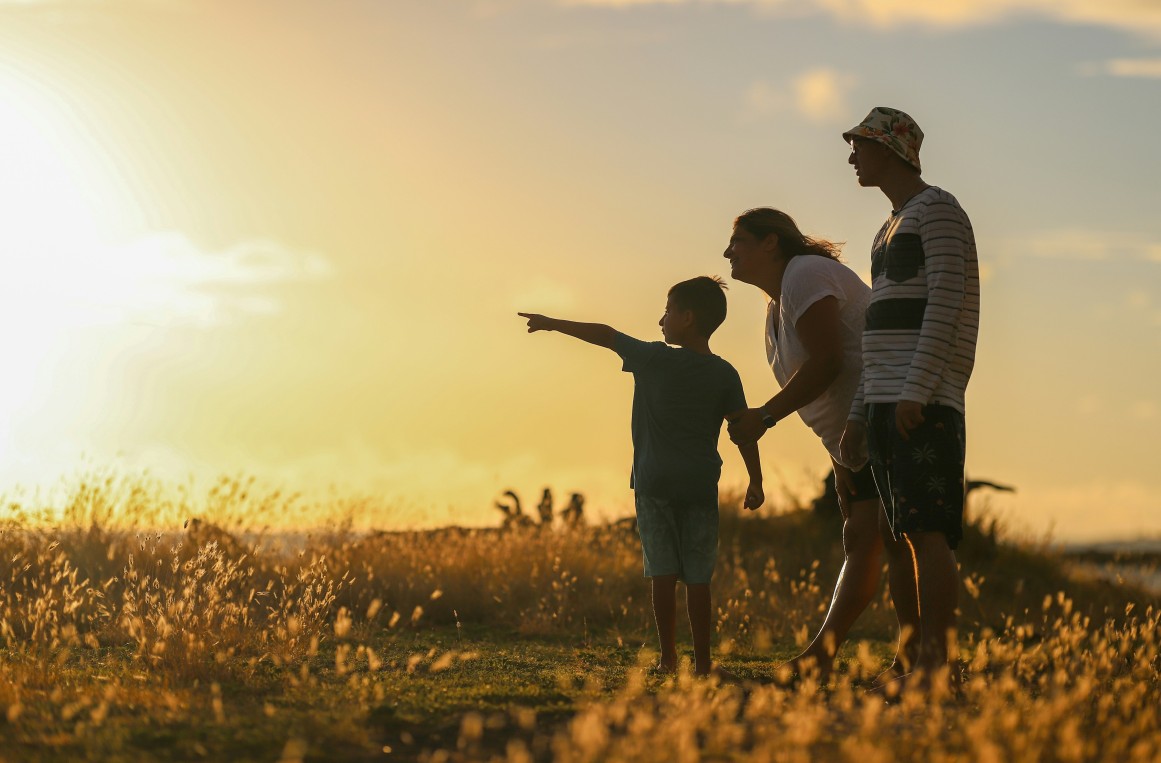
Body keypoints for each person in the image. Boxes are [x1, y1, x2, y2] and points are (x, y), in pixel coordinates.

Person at [519, 276, 764, 676]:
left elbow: (605, 335)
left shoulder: (654, 358)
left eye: (667, 311)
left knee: (662, 572)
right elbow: (742, 429)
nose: (661, 319)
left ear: (686, 318)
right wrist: (756, 480)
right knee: (699, 578)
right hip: (701, 485)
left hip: (654, 483)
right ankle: (703, 664)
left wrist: (553, 323)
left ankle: (668, 659)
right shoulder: (725, 374)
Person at [724, 208, 919, 683]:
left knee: (898, 541)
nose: (729, 252)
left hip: (888, 414)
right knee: (863, 539)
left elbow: (830, 362)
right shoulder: (778, 304)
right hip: (855, 435)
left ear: (771, 243)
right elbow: (833, 377)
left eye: (739, 242)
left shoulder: (805, 275)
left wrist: (765, 416)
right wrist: (839, 459)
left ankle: (916, 660)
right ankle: (829, 656)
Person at [837, 107, 980, 688]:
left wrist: (918, 390)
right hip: (883, 402)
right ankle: (910, 659)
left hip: (922, 400)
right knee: (897, 537)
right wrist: (857, 412)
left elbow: (947, 305)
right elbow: (878, 329)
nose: (852, 157)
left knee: (927, 532)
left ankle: (936, 670)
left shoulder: (939, 211)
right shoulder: (888, 226)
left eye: (860, 146)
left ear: (892, 152)